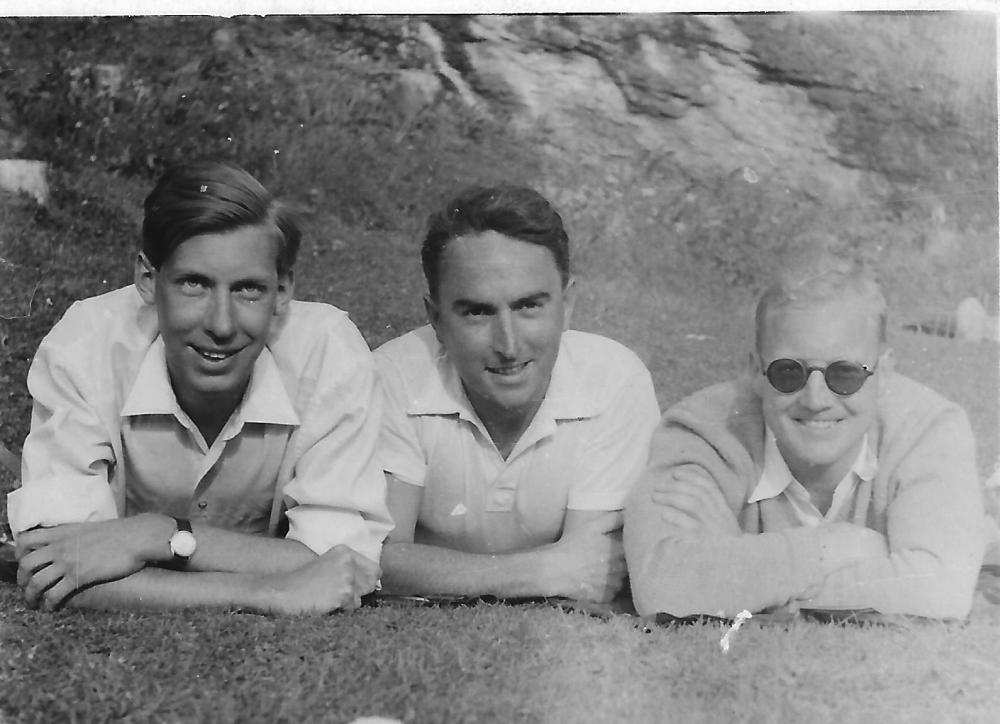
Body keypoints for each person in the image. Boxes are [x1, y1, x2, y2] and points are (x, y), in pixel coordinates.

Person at [8, 160, 392, 613]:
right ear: (148, 280)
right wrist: (267, 592)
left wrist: (155, 535)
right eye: (195, 284)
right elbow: (57, 566)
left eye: (249, 290)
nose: (222, 324)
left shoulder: (328, 352)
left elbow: (343, 564)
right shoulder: (86, 345)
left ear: (283, 290)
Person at [625, 255, 985, 620]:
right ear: (755, 371)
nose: (815, 400)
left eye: (844, 374)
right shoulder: (702, 432)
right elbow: (664, 588)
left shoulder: (929, 429)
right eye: (787, 373)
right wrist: (842, 547)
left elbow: (941, 589)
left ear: (885, 373)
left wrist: (735, 562)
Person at [374, 184, 660, 602]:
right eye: (477, 311)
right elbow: (371, 559)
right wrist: (537, 573)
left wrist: (432, 572)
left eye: (528, 306)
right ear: (435, 318)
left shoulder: (615, 381)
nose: (507, 345)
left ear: (568, 304)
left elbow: (596, 572)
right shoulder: (393, 376)